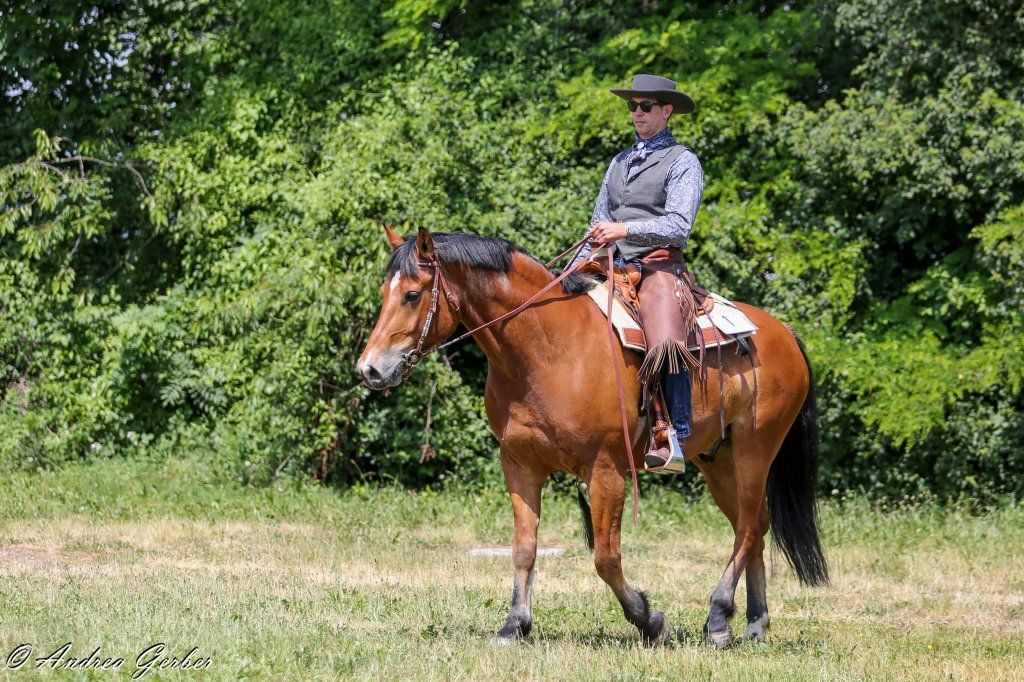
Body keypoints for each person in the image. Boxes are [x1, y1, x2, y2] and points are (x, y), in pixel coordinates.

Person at [573, 74, 704, 470]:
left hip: (658, 266)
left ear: (667, 111)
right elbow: (599, 222)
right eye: (633, 106)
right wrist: (571, 266)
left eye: (645, 106)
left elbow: (680, 224)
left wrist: (625, 229)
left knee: (664, 337)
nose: (637, 113)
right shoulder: (618, 162)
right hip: (611, 265)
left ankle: (673, 435)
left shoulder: (683, 161)